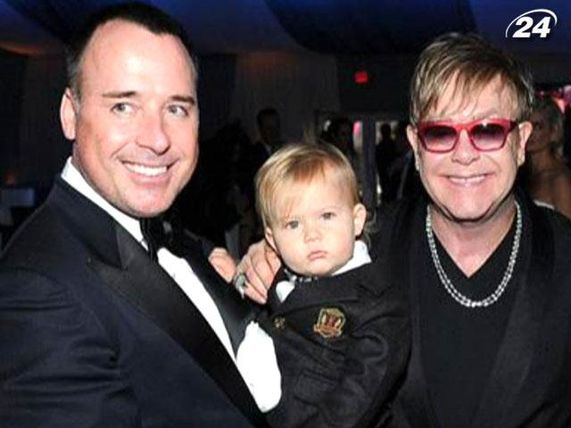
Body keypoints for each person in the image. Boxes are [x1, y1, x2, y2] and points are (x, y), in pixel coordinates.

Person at [239, 33, 571, 427]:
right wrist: (261, 264)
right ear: (415, 144)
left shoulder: (565, 253)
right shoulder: (357, 246)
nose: (464, 154)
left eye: (487, 130)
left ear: (520, 142)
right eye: (440, 133)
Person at [0, 3, 269, 427]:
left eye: (176, 108)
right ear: (70, 114)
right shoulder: (37, 292)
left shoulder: (174, 234)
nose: (157, 139)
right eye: (124, 106)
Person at [220, 143, 409, 427]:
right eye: (293, 224)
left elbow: (358, 399)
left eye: (326, 216)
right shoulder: (279, 277)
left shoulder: (378, 305)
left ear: (356, 220)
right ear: (272, 239)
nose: (312, 235)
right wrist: (233, 279)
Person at [523, 95, 571, 218]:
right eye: (527, 125)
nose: (530, 132)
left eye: (538, 126)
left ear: (553, 132)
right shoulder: (524, 175)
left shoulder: (559, 179)